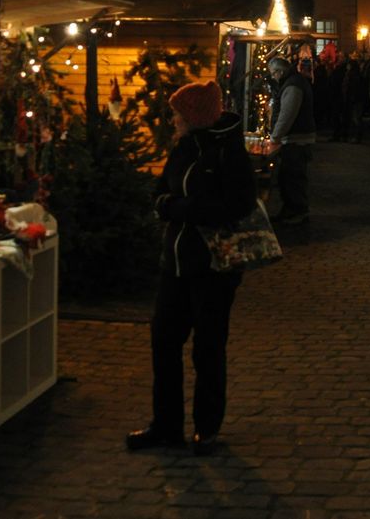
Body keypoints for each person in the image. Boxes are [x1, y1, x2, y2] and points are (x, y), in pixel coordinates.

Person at [126, 81, 256, 456]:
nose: (173, 119)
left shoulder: (229, 153)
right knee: (164, 342)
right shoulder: (184, 147)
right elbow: (160, 192)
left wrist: (179, 208)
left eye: (178, 113)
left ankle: (206, 427)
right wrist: (167, 203)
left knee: (208, 347)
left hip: (214, 267)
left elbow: (236, 205)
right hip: (176, 262)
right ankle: (166, 425)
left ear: (194, 116)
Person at [267, 56, 316, 225]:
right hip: (297, 138)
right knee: (290, 177)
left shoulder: (293, 85)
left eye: (273, 73)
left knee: (293, 177)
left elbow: (287, 115)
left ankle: (297, 212)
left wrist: (275, 137)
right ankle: (291, 210)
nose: (273, 77)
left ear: (280, 71)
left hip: (296, 139)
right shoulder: (294, 82)